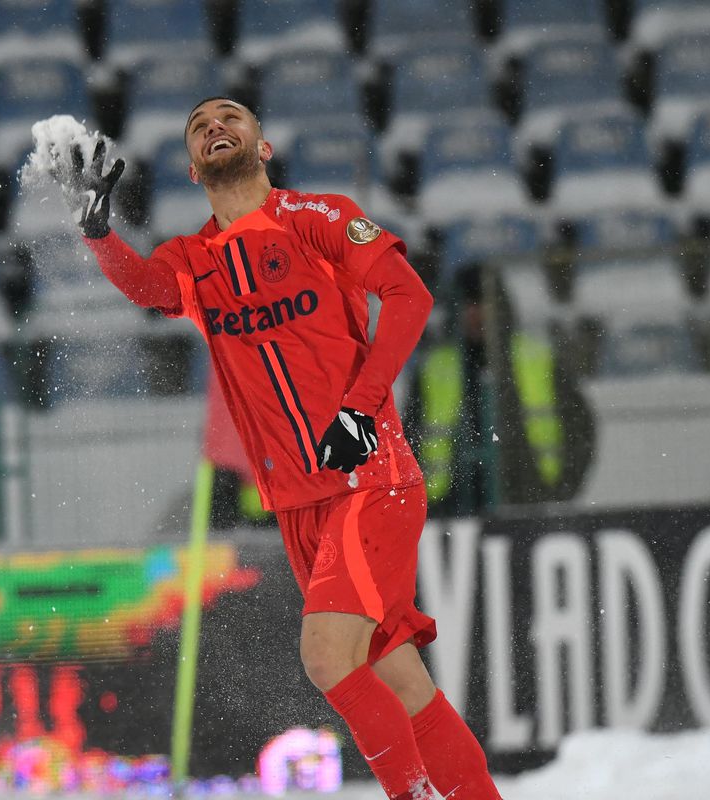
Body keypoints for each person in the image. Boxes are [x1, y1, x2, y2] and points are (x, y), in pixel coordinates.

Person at [47, 98, 502, 800]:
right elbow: (146, 286)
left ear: (261, 147)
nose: (214, 128)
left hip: (366, 478)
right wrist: (101, 235)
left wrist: (359, 409)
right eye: (199, 127)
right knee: (398, 679)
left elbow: (407, 296)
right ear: (195, 171)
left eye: (230, 118)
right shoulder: (196, 262)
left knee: (326, 657)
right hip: (297, 504)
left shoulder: (315, 219)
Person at [406, 264, 595, 516]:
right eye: (468, 305)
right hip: (450, 511)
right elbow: (406, 437)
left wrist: (560, 491)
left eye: (482, 303)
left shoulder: (537, 357)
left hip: (531, 505)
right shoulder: (434, 367)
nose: (476, 314)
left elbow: (580, 426)